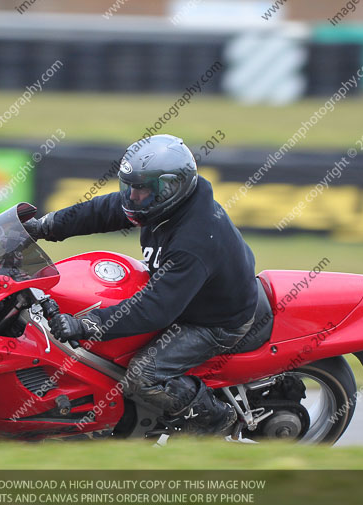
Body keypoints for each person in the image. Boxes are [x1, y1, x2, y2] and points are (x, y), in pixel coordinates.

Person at [23, 134, 258, 435]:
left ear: (171, 186)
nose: (133, 196)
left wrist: (85, 324)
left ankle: (216, 419)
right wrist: (43, 227)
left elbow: (156, 309)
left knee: (143, 376)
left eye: (142, 189)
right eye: (130, 187)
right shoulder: (161, 204)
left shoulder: (196, 239)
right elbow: (101, 211)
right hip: (183, 296)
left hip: (214, 321)